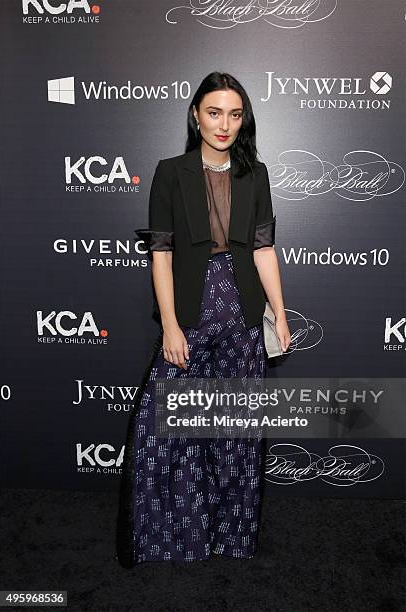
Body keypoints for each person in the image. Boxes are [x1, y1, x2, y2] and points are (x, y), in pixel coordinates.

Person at [116, 71, 291, 568]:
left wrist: (279, 313)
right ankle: (175, 537)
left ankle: (230, 537)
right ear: (195, 115)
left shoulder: (254, 174)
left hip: (241, 312)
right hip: (191, 313)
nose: (224, 124)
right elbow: (162, 255)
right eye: (214, 112)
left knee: (235, 431)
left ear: (243, 120)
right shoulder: (171, 172)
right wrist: (170, 325)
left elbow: (263, 250)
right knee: (173, 428)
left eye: (235, 114)